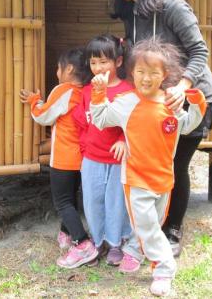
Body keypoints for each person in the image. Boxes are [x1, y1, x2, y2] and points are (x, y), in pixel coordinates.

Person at [110, 0, 212, 256]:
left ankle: (172, 230)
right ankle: (151, 229)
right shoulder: (131, 8)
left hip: (189, 98)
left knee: (174, 164)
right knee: (156, 163)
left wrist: (183, 86)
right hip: (154, 100)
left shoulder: (171, 5)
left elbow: (199, 50)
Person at [90, 38, 207, 297]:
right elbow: (100, 119)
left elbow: (188, 125)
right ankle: (164, 267)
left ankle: (134, 251)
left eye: (153, 72)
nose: (146, 78)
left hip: (164, 179)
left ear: (164, 75)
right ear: (131, 72)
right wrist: (98, 93)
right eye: (140, 71)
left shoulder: (171, 102)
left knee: (152, 225)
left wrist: (196, 100)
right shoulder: (126, 102)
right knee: (147, 227)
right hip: (136, 179)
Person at [20, 48, 98, 269]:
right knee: (71, 198)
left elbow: (43, 115)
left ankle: (82, 244)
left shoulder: (64, 90)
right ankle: (67, 233)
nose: (56, 72)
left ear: (69, 69)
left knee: (62, 202)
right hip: (82, 158)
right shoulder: (87, 92)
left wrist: (34, 100)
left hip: (64, 158)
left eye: (58, 67)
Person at [72, 34, 133, 266]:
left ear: (118, 61)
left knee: (116, 202)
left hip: (118, 159)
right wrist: (84, 149)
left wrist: (123, 139)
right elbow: (82, 124)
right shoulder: (87, 92)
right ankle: (98, 241)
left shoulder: (127, 91)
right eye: (93, 62)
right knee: (92, 200)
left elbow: (135, 123)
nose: (98, 68)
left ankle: (115, 242)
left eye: (104, 62)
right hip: (92, 158)